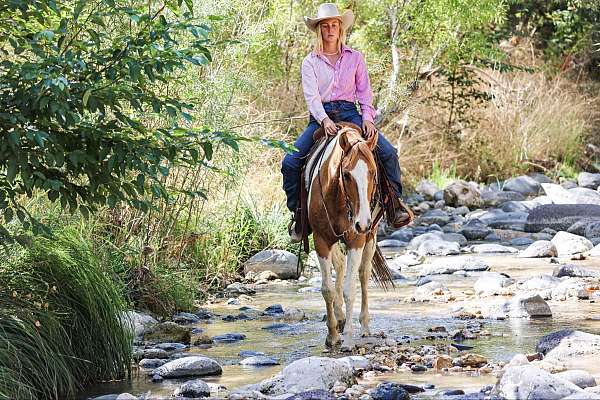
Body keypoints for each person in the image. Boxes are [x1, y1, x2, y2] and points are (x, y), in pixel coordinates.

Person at [281, 2, 411, 242]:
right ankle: (299, 216)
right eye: (325, 26)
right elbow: (312, 97)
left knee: (389, 153)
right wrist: (324, 120)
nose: (330, 30)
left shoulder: (356, 58)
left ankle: (394, 205)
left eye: (334, 25)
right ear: (319, 30)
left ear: (340, 29)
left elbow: (364, 92)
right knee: (290, 162)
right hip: (322, 117)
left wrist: (368, 119)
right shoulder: (309, 62)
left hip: (351, 114)